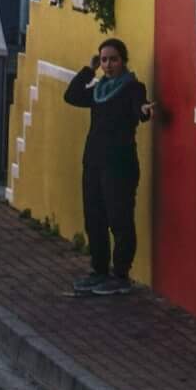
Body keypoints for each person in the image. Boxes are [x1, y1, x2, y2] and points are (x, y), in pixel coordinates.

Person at [63, 36, 152, 296]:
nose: (109, 65)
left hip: (119, 164)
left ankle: (121, 274)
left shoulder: (133, 88)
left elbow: (140, 108)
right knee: (95, 218)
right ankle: (99, 270)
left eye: (113, 59)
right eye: (104, 60)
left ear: (123, 61)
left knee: (119, 218)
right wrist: (88, 69)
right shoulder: (99, 90)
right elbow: (71, 96)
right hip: (94, 162)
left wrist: (145, 110)